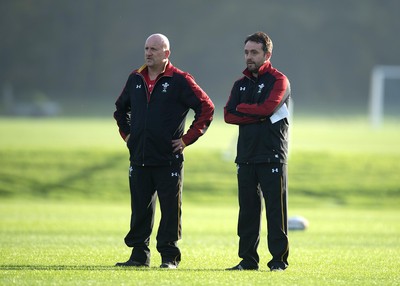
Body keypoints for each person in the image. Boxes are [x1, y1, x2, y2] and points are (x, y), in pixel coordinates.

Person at [113, 33, 214, 269]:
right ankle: (139, 256)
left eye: (154, 49)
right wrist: (129, 136)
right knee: (140, 209)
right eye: (147, 48)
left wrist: (187, 139)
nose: (149, 53)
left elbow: (206, 108)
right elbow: (120, 110)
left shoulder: (180, 80)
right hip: (139, 157)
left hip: (168, 159)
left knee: (170, 211)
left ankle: (169, 258)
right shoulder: (135, 78)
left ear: (166, 53)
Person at [224, 32, 291, 272]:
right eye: (246, 52)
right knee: (248, 213)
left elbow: (268, 108)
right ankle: (248, 261)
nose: (249, 57)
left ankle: (278, 262)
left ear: (267, 54)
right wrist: (255, 113)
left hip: (272, 155)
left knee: (276, 212)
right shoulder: (240, 84)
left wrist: (246, 110)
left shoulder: (279, 81)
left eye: (254, 52)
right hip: (246, 156)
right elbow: (227, 114)